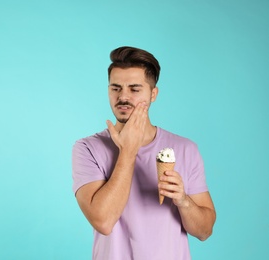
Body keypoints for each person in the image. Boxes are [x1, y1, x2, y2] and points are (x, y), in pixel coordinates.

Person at [72, 46, 216, 259]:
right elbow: (103, 221)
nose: (123, 97)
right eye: (116, 88)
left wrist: (183, 200)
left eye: (135, 89)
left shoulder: (185, 149)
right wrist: (128, 149)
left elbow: (204, 231)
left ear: (153, 94)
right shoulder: (88, 149)